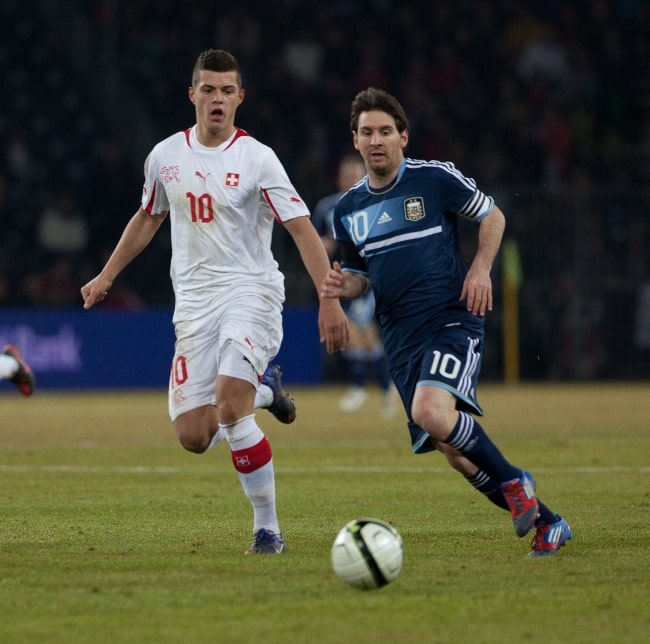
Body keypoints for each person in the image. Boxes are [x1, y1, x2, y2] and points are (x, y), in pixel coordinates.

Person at [81, 49, 348, 555]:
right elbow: (148, 217)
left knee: (228, 407)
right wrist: (107, 275)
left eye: (227, 91)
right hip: (195, 307)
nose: (218, 99)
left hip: (251, 293)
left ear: (240, 98)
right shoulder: (164, 157)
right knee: (195, 434)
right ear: (193, 95)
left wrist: (327, 299)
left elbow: (300, 229)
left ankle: (267, 529)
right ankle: (266, 391)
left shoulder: (258, 159)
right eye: (209, 89)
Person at [321, 87, 571, 556]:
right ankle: (548, 523)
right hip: (399, 338)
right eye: (367, 132)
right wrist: (341, 287)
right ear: (355, 140)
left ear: (403, 137)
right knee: (455, 453)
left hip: (449, 319)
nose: (377, 140)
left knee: (430, 413)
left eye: (385, 131)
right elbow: (358, 278)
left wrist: (479, 269)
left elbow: (492, 215)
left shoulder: (433, 179)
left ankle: (517, 481)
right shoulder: (348, 210)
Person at [312, 154, 396, 417]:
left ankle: (362, 386)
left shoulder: (374, 202)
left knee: (361, 331)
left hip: (364, 278)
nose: (350, 178)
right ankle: (384, 387)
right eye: (346, 173)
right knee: (360, 334)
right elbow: (316, 241)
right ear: (339, 177)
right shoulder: (327, 207)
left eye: (355, 173)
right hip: (337, 278)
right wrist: (324, 246)